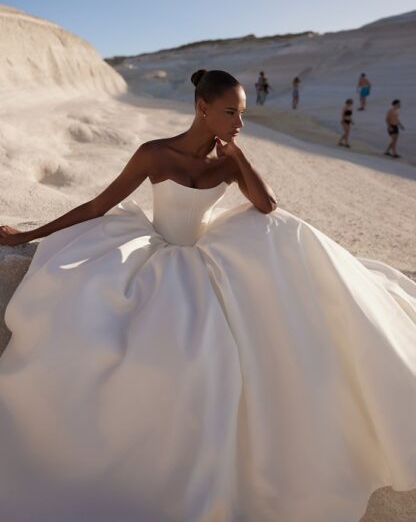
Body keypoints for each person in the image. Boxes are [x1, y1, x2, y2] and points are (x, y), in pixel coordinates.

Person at [0, 69, 415, 522]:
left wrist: (238, 155)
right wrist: (28, 237)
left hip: (206, 252)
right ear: (202, 109)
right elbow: (98, 205)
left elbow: (268, 205)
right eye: (230, 113)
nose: (239, 123)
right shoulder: (154, 154)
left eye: (243, 114)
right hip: (154, 251)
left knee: (282, 236)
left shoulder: (228, 161)